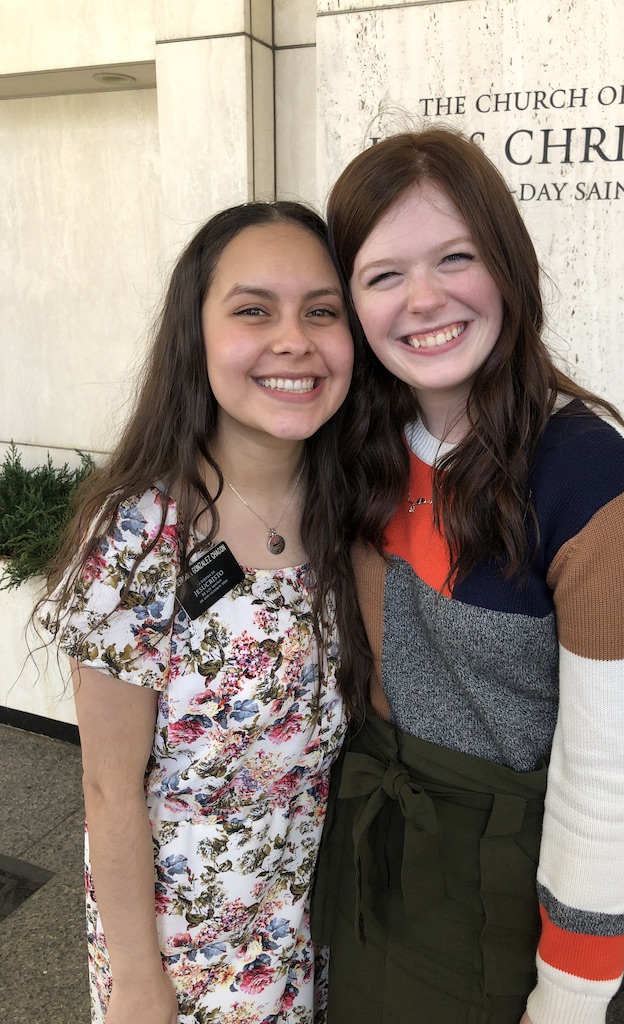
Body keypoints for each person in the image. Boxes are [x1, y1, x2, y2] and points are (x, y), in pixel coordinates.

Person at [311, 127, 624, 1024]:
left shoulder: (593, 482)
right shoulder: (357, 446)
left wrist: (572, 998)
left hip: (509, 881)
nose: (424, 299)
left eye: (456, 257)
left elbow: (608, 787)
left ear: (508, 265)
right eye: (383, 274)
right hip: (371, 842)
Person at [35, 201, 369, 1024]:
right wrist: (137, 982)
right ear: (197, 333)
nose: (293, 340)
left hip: (304, 923)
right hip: (182, 953)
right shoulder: (138, 534)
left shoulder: (348, 511)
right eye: (253, 310)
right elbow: (109, 788)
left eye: (321, 311)